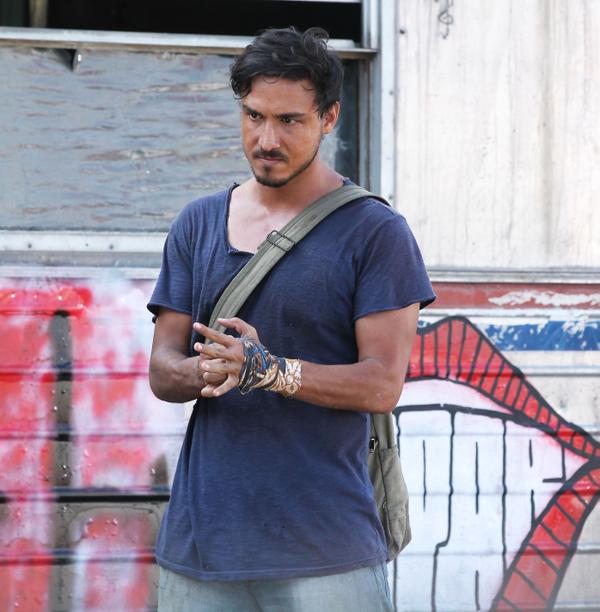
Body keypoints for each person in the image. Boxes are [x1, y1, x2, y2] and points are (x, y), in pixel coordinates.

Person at [148, 26, 435, 612]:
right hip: (203, 546)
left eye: (289, 121)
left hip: (326, 548)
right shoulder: (197, 224)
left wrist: (269, 370)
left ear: (329, 118)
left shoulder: (375, 233)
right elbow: (162, 370)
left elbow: (382, 384)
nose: (266, 139)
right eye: (253, 116)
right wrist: (213, 369)